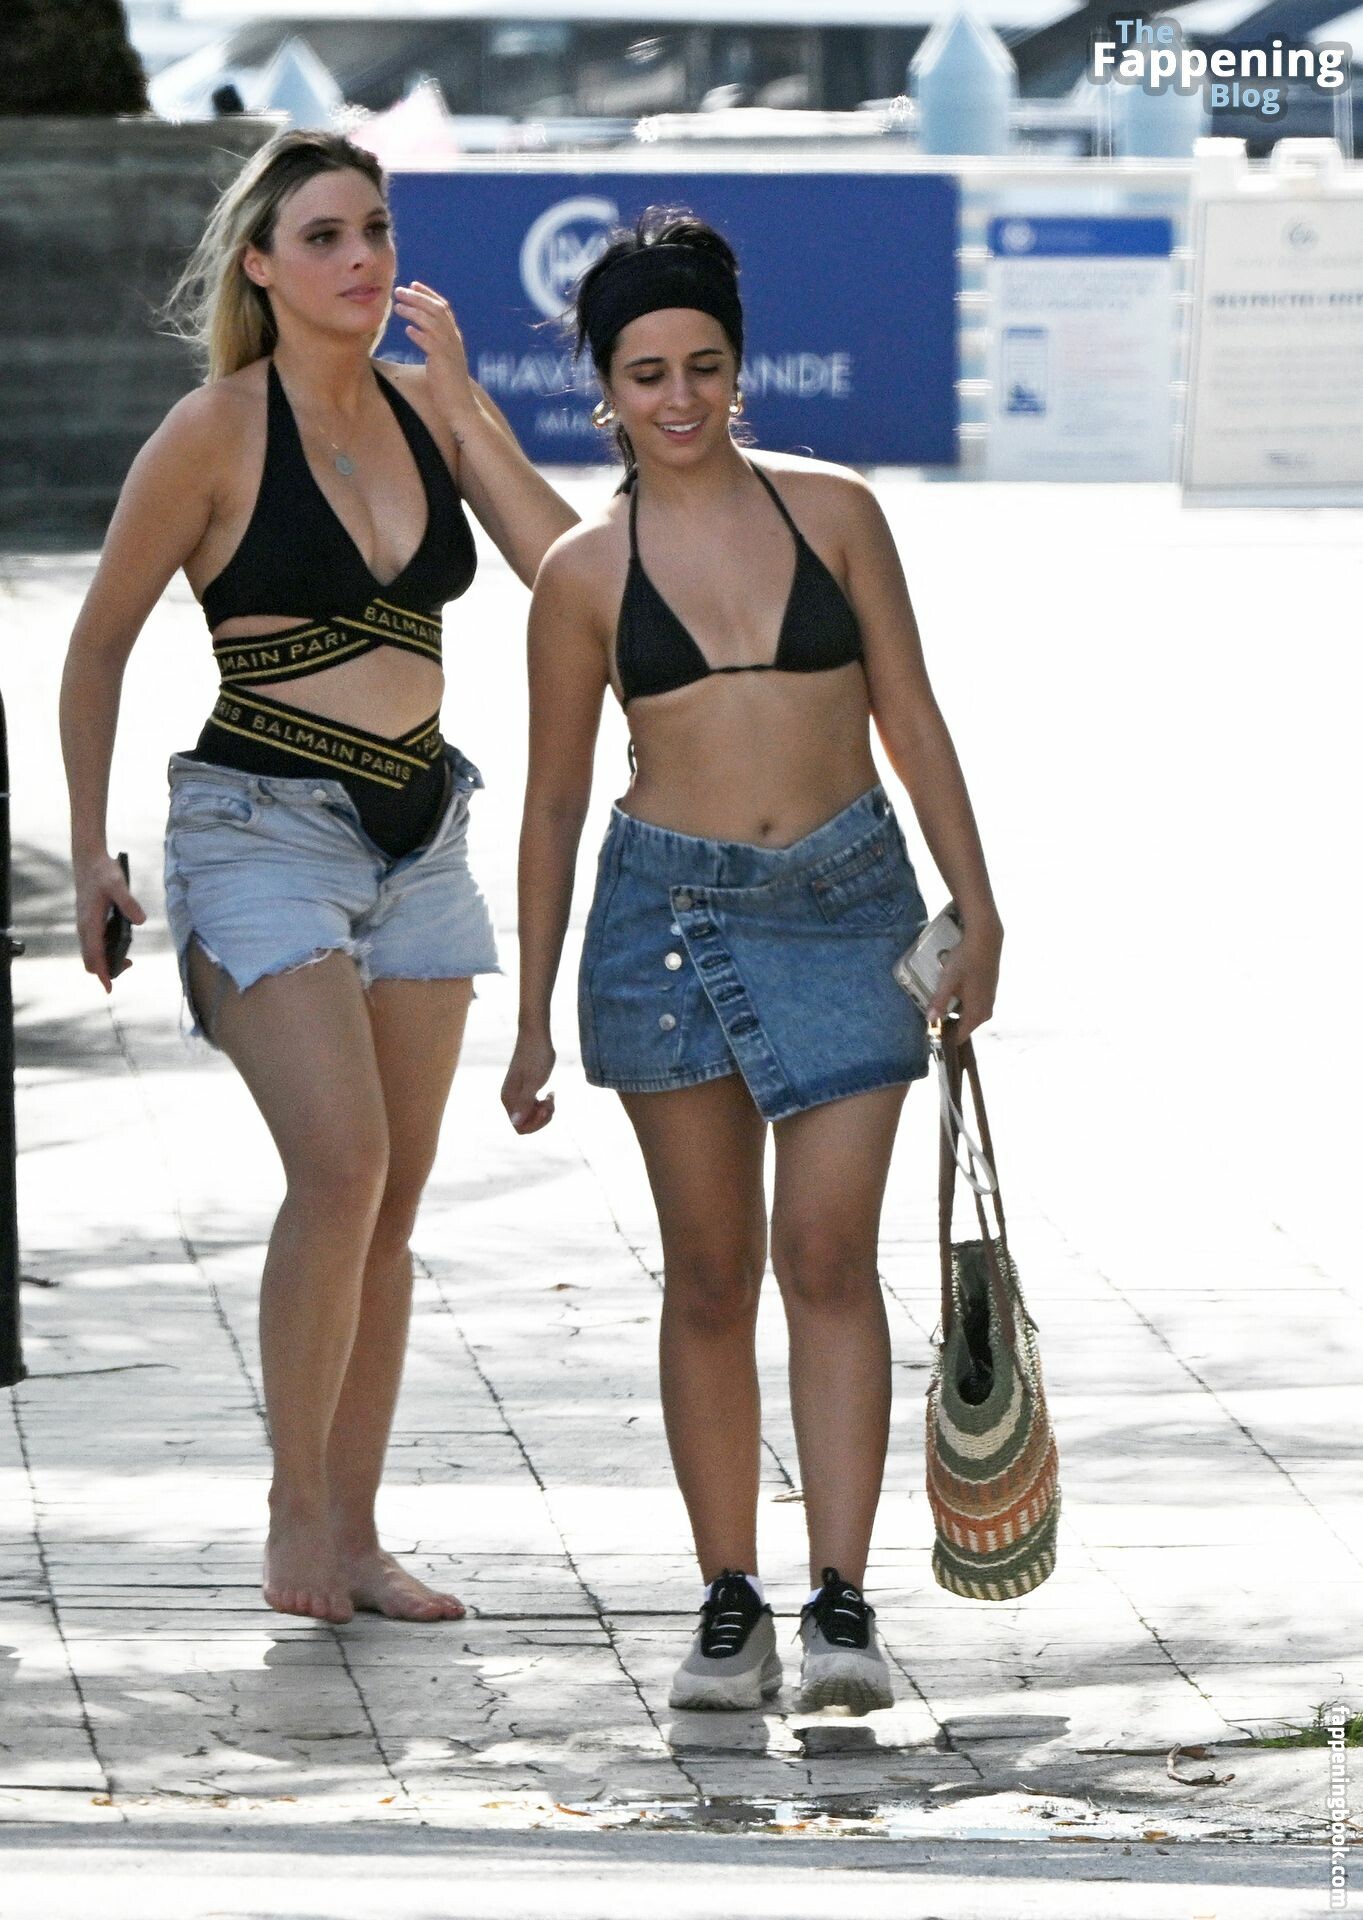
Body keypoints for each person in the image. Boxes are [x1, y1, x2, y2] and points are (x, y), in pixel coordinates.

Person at [60, 131, 576, 1626]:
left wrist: (468, 412)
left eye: (378, 230)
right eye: (327, 236)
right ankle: (296, 1510)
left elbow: (572, 573)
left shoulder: (427, 412)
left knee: (390, 1209)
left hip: (425, 837)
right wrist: (91, 849)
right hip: (258, 829)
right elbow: (97, 644)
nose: (363, 259)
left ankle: (356, 1532)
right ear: (263, 266)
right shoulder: (214, 431)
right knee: (340, 1169)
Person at [500, 210, 1002, 1713]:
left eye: (705, 365)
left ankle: (842, 1603)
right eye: (647, 372)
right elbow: (551, 801)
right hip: (664, 925)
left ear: (739, 366)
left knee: (829, 1258)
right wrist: (529, 1013)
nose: (681, 398)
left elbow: (910, 714)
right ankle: (731, 1600)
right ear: (606, 386)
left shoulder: (837, 512)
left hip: (851, 905)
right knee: (711, 1275)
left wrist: (977, 904)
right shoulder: (582, 574)